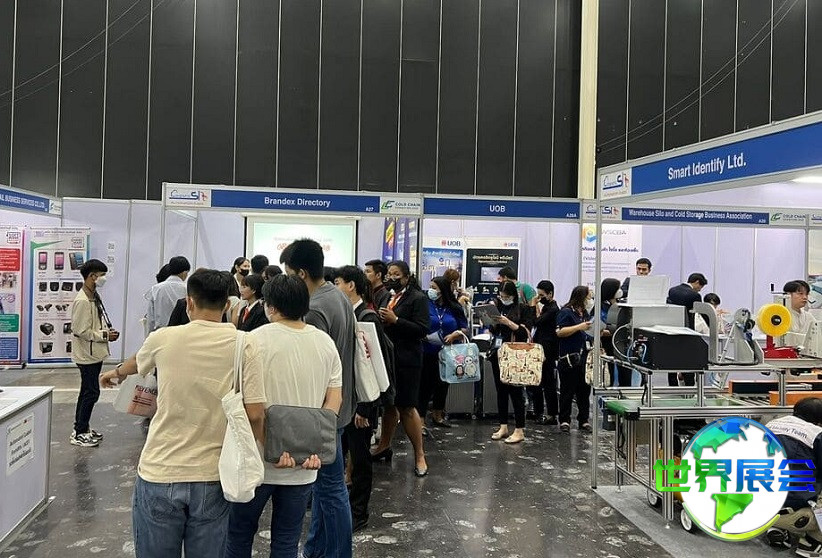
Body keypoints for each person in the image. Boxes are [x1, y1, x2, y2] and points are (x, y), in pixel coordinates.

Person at [99, 269, 267, 558]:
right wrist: (257, 452)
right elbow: (255, 414)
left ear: (189, 302)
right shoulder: (245, 343)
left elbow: (138, 362)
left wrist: (115, 372)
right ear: (228, 304)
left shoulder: (163, 337)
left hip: (160, 470)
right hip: (213, 475)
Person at [226, 275, 340, 558]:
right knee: (287, 542)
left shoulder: (253, 340)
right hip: (304, 464)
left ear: (271, 306)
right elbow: (333, 400)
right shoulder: (325, 343)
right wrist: (316, 446)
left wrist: (273, 446)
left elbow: (252, 409)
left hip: (256, 460)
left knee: (239, 535)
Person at [280, 239, 356, 558]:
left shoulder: (314, 309)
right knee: (326, 489)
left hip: (324, 412)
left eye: (289, 274)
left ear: (301, 273)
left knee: (331, 490)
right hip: (339, 407)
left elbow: (315, 367)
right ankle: (316, 549)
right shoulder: (337, 296)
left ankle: (338, 553)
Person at [333, 265, 394, 533]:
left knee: (360, 459)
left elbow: (371, 367)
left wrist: (366, 407)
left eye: (338, 282)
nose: (335, 287)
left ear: (351, 286)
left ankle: (359, 512)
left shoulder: (367, 317)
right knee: (342, 453)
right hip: (345, 401)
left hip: (361, 403)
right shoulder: (346, 314)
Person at [370, 260, 430, 477]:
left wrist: (396, 320)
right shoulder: (387, 296)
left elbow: (422, 329)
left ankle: (420, 455)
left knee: (407, 407)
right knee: (389, 405)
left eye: (396, 274)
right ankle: (384, 445)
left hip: (408, 360)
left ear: (406, 276)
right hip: (388, 358)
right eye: (389, 273)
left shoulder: (418, 298)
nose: (391, 278)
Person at [70, 259, 119, 447]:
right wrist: (105, 335)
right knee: (91, 392)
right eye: (102, 275)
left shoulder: (93, 296)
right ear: (92, 276)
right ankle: (80, 432)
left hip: (93, 353)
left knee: (87, 391)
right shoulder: (82, 301)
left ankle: (82, 427)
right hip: (86, 354)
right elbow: (80, 330)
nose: (104, 278)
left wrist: (107, 332)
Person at [766, 398, 822, 555]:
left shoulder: (770, 425)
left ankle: (776, 528)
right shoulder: (816, 435)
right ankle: (812, 543)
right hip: (794, 514)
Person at [417, 276, 469, 429]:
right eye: (430, 287)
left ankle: (438, 415)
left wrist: (455, 335)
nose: (431, 291)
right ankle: (420, 420)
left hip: (448, 352)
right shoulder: (426, 304)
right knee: (425, 385)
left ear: (443, 290)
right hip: (427, 350)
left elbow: (464, 328)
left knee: (443, 384)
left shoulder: (454, 307)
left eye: (434, 288)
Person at [487, 281, 534, 444]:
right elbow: (493, 330)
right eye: (501, 296)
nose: (504, 299)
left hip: (515, 354)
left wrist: (507, 322)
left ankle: (519, 429)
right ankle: (503, 426)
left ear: (514, 295)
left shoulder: (523, 309)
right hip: (498, 352)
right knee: (501, 391)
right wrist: (492, 321)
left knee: (516, 392)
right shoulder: (498, 307)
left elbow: (525, 332)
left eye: (507, 296)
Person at [556, 285, 594, 433]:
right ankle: (564, 419)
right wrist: (579, 327)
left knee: (584, 391)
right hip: (569, 358)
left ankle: (583, 419)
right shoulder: (566, 312)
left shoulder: (585, 313)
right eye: (588, 297)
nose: (590, 300)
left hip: (584, 358)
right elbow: (560, 332)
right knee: (567, 390)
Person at [667, 273, 707, 387]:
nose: (699, 290)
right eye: (700, 287)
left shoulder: (672, 290)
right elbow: (703, 313)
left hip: (672, 330)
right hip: (687, 332)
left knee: (671, 361)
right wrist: (711, 325)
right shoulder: (694, 295)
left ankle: (672, 387)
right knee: (688, 362)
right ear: (697, 282)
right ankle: (689, 388)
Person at [529, 280, 560, 425]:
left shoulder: (553, 309)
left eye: (542, 295)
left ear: (550, 294)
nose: (539, 298)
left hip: (547, 349)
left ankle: (551, 413)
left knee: (548, 383)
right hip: (540, 346)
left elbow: (536, 322)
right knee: (537, 381)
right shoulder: (547, 307)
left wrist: (533, 305)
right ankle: (539, 411)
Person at [600, 278, 632, 387]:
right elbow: (597, 329)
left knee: (626, 376)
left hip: (622, 345)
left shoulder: (622, 304)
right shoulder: (600, 307)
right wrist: (612, 332)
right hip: (607, 346)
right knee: (608, 377)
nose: (620, 291)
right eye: (617, 288)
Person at [146, 256, 190, 331]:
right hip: (180, 333)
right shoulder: (187, 289)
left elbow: (151, 319)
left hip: (160, 332)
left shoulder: (156, 289)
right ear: (184, 273)